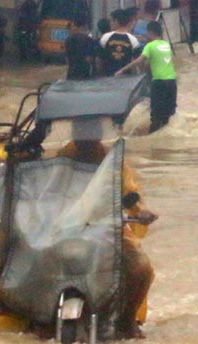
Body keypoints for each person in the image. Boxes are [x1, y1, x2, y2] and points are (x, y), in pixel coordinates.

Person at [55, 119, 157, 339]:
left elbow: (129, 194)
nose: (86, 139)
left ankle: (127, 320)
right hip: (69, 230)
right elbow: (49, 194)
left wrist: (140, 212)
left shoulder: (113, 160)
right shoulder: (61, 159)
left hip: (108, 229)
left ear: (99, 134)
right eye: (80, 131)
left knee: (141, 269)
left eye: (91, 132)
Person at [115, 21, 177, 133]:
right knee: (169, 114)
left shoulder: (149, 46)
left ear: (150, 32)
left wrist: (122, 70)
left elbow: (139, 61)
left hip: (159, 83)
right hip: (172, 82)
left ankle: (152, 140)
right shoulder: (166, 44)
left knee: (156, 116)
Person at [100, 9, 141, 76]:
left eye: (112, 21)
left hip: (107, 77)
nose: (111, 24)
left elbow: (99, 59)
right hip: (127, 78)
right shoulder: (133, 40)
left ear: (116, 21)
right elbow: (137, 61)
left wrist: (100, 73)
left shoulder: (105, 37)